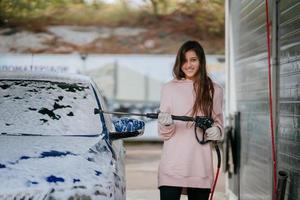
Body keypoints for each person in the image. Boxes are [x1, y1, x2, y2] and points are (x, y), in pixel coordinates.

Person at [157, 40, 224, 200]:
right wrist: (166, 124)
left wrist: (218, 130)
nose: (188, 65)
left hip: (199, 167)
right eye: (184, 60)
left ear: (201, 61)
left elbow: (218, 122)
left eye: (193, 60)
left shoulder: (214, 89)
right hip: (172, 166)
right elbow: (164, 134)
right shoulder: (169, 89)